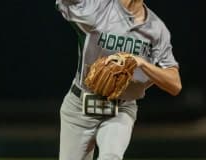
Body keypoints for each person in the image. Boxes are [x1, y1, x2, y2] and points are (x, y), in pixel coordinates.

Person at [55, 0, 182, 159]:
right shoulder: (97, 9)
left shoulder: (156, 30)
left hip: (120, 109)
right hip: (79, 108)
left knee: (111, 156)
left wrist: (142, 63)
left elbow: (175, 84)